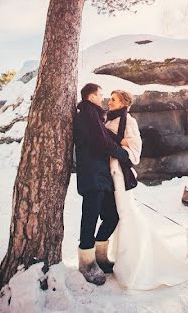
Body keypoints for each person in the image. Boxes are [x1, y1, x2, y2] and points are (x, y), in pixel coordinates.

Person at [103, 89, 188, 290]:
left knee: (127, 215)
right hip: (108, 175)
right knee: (119, 217)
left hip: (121, 176)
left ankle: (137, 266)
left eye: (113, 100)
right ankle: (120, 259)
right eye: (110, 99)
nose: (109, 102)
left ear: (123, 103)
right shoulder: (107, 120)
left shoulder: (129, 122)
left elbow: (135, 151)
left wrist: (115, 141)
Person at [73, 83, 132, 285]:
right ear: (91, 97)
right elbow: (101, 141)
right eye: (100, 94)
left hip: (101, 175)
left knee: (111, 215)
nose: (103, 98)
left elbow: (106, 137)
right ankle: (87, 263)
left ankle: (100, 256)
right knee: (90, 217)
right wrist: (122, 154)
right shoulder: (88, 112)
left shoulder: (95, 115)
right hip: (92, 174)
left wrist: (122, 143)